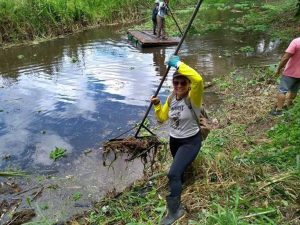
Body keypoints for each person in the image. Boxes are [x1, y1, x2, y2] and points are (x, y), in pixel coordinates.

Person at [151, 55, 204, 225]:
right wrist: (158, 105)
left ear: (189, 85)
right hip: (174, 140)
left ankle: (175, 211)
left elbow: (199, 79)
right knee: (178, 171)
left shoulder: (193, 97)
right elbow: (161, 118)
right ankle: (180, 184)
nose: (179, 86)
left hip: (190, 141)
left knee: (173, 173)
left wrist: (179, 64)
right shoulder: (172, 98)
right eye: (176, 83)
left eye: (183, 83)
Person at [270, 37, 300, 115]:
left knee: (282, 91)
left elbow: (285, 57)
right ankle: (289, 105)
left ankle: (279, 110)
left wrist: (279, 69)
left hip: (290, 72)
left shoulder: (296, 42)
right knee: (294, 90)